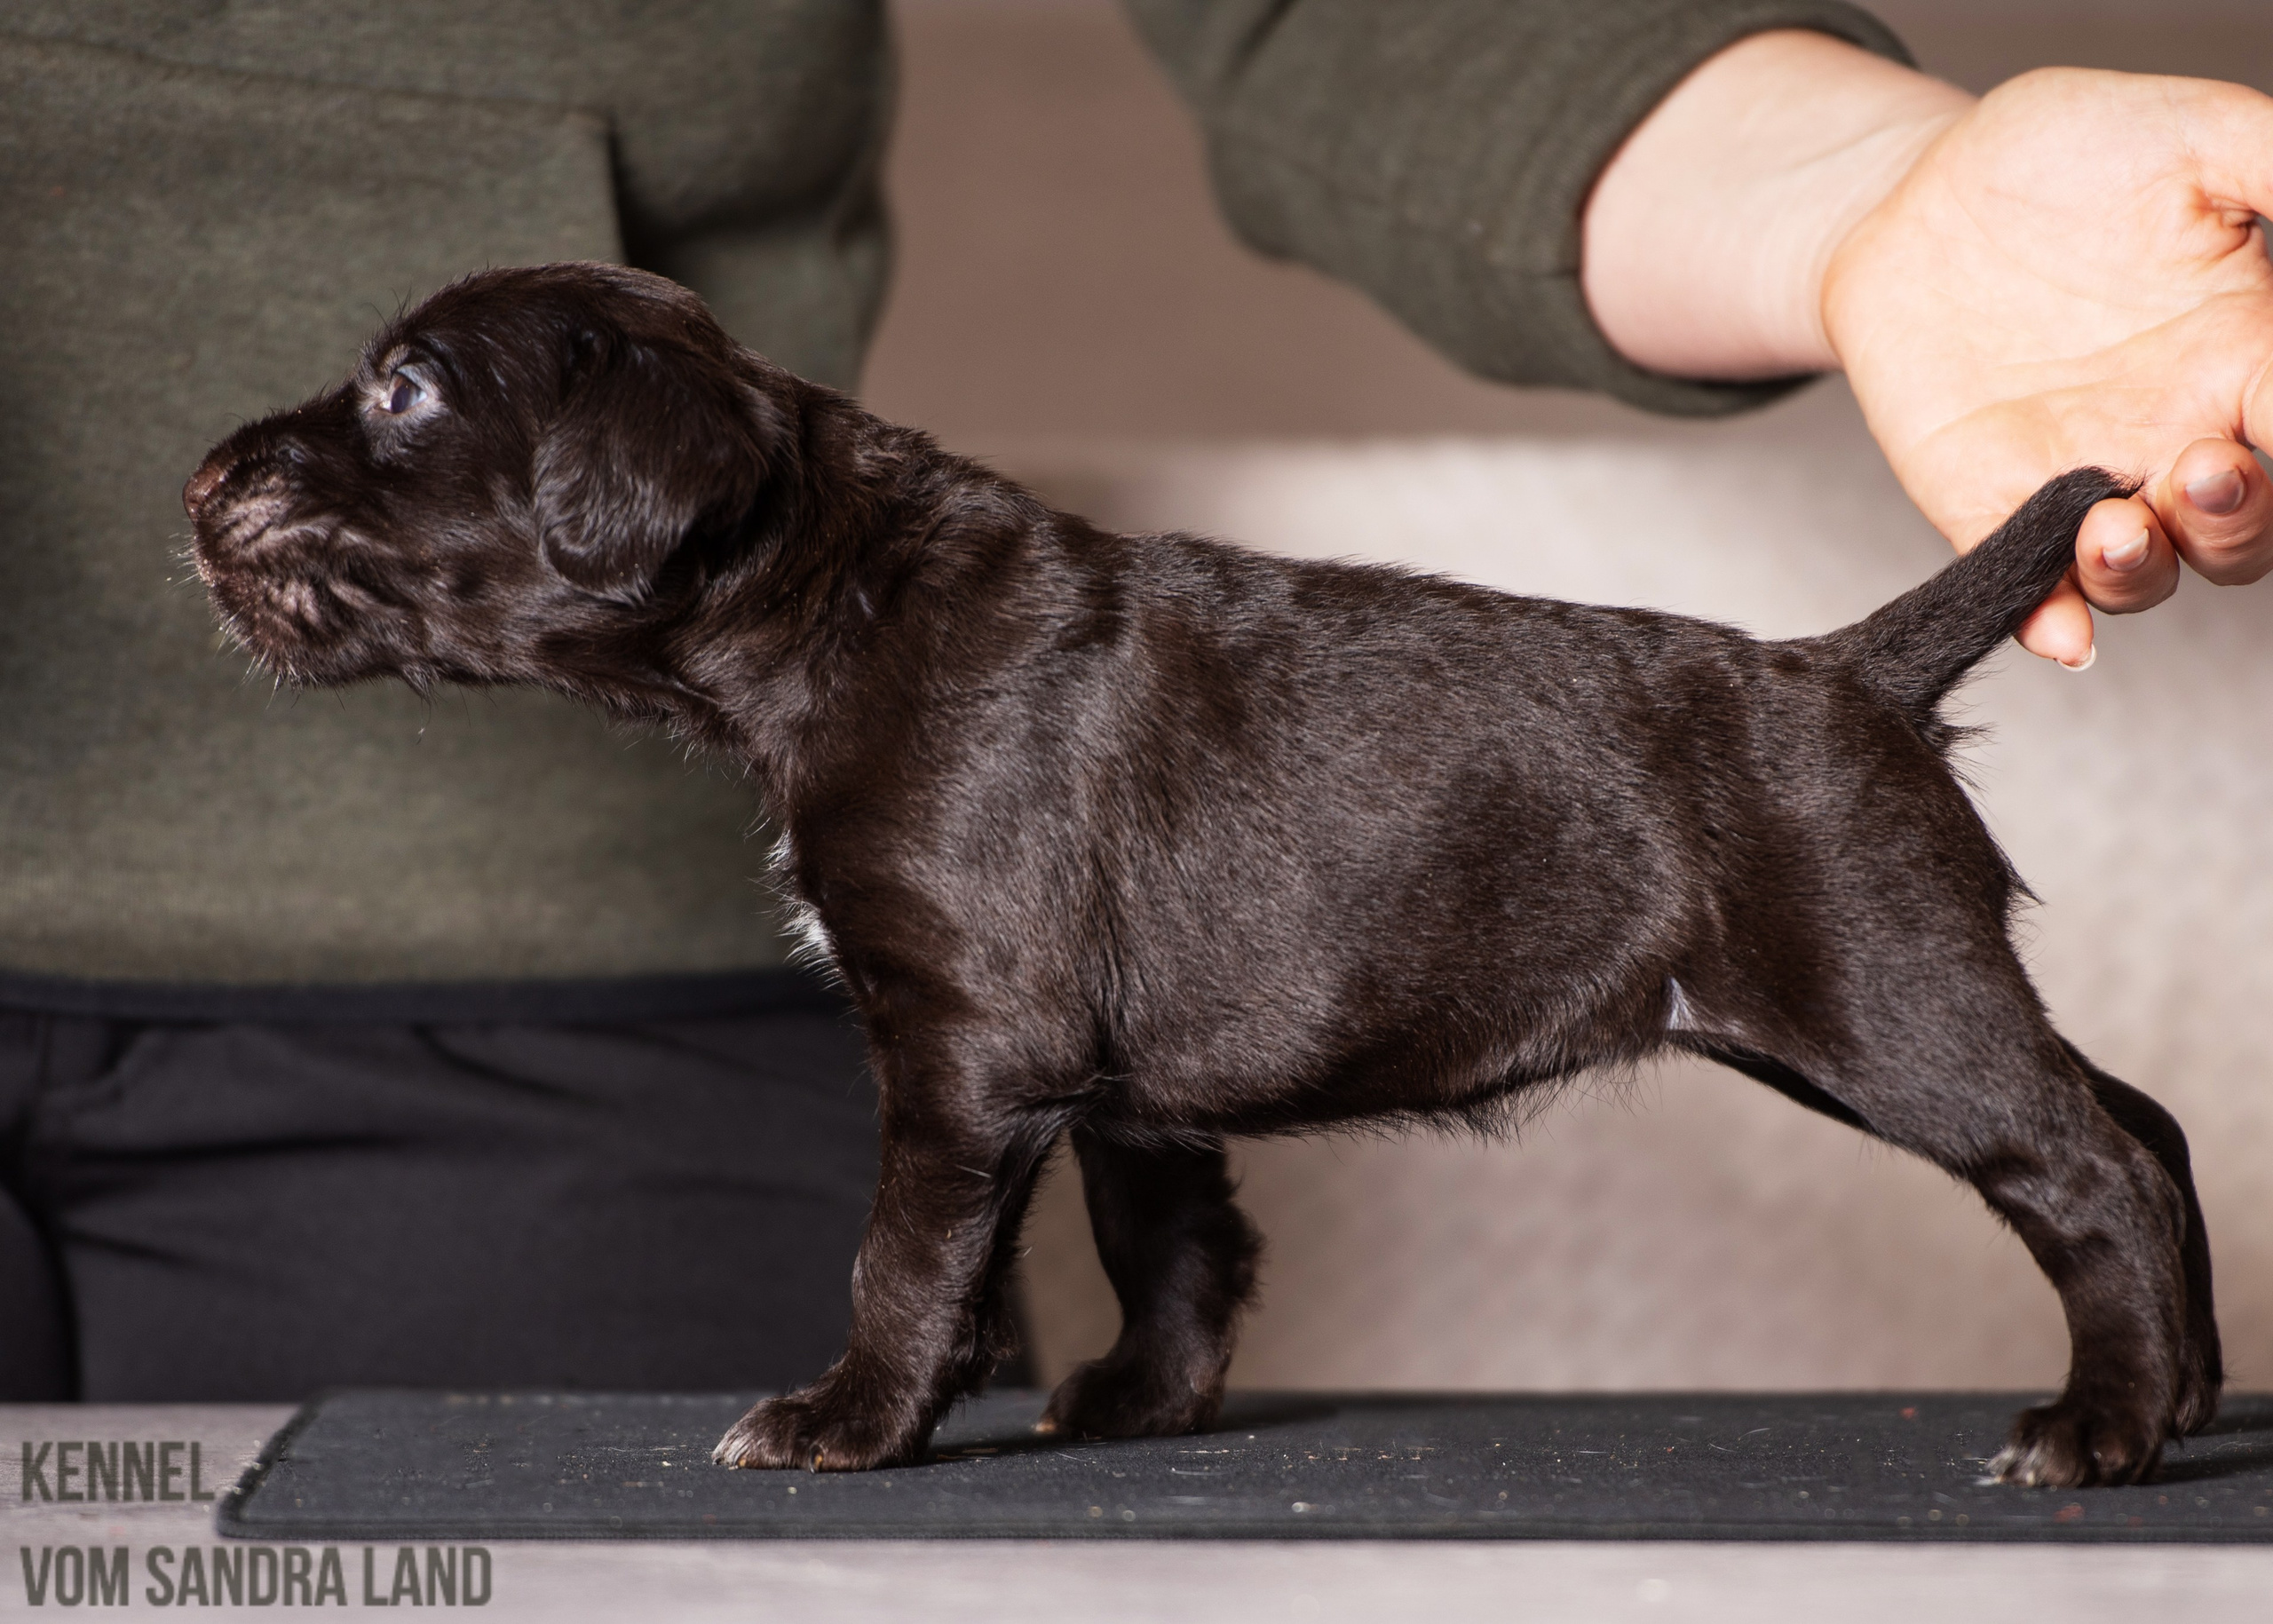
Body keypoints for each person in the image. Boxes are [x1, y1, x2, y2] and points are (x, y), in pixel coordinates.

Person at [0, 0, 2265, 1402]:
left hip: (567, 1067)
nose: (295, 449)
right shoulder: (937, 705)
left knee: (2018, 1124)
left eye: (400, 398)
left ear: (626, 477)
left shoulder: (954, 705)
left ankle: (2129, 1354)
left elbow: (1336, 19)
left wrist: (1875, 191)